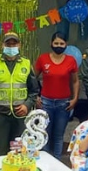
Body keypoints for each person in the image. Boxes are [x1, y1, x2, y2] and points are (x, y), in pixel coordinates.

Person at [0, 31, 40, 157]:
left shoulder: (26, 64)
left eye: (14, 44)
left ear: (19, 45)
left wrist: (27, 105)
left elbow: (34, 91)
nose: (11, 47)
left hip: (20, 116)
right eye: (8, 44)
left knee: (19, 151)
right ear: (2, 45)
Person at [34, 32, 80, 160]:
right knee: (45, 134)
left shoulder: (71, 61)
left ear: (66, 45)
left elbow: (76, 81)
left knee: (59, 135)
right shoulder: (43, 59)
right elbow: (33, 79)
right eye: (56, 43)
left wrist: (75, 98)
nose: (58, 46)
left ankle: (58, 163)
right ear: (51, 43)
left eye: (62, 43)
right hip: (45, 103)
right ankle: (45, 162)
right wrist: (36, 97)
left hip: (63, 103)